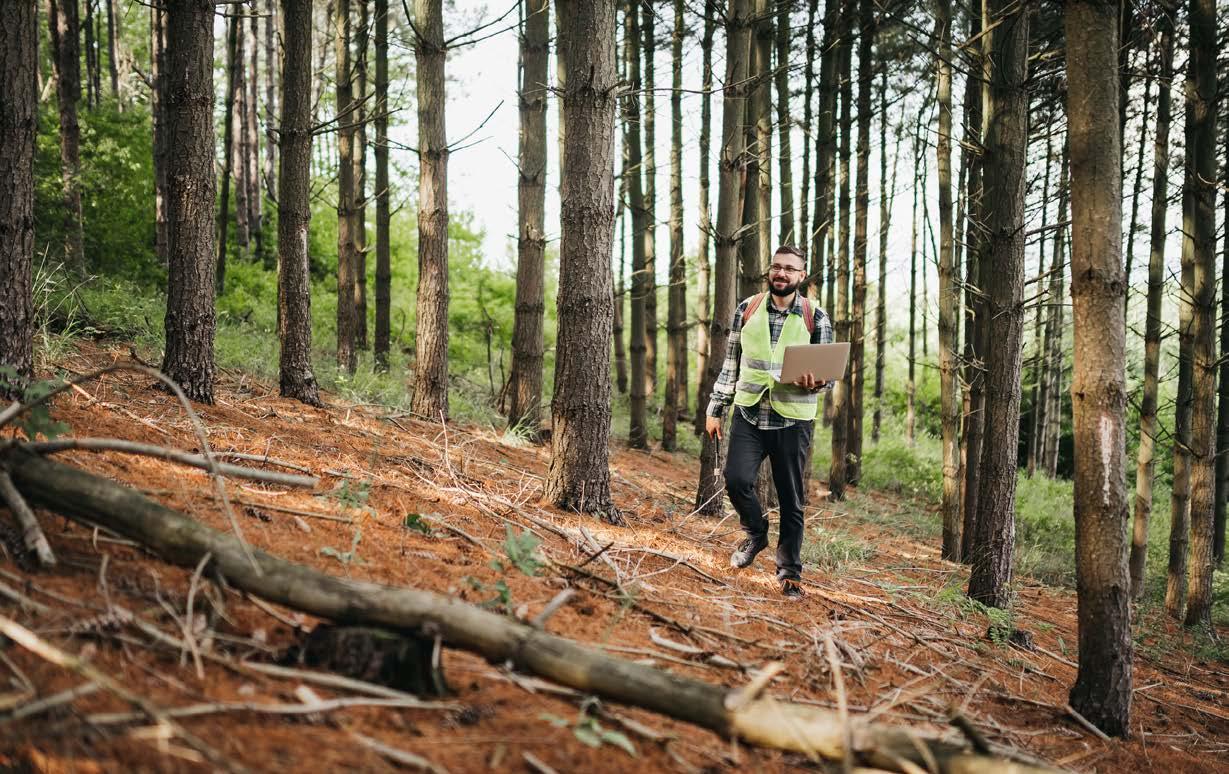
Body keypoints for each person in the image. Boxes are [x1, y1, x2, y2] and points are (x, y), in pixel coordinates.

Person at [704, 245, 833, 600]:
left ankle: (790, 574)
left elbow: (828, 376)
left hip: (792, 420)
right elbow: (731, 363)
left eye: (790, 268)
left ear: (801, 275)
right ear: (769, 270)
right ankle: (756, 533)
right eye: (777, 266)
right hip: (749, 412)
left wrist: (816, 382)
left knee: (792, 500)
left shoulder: (816, 317)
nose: (781, 273)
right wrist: (716, 407)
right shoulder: (747, 308)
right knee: (736, 480)